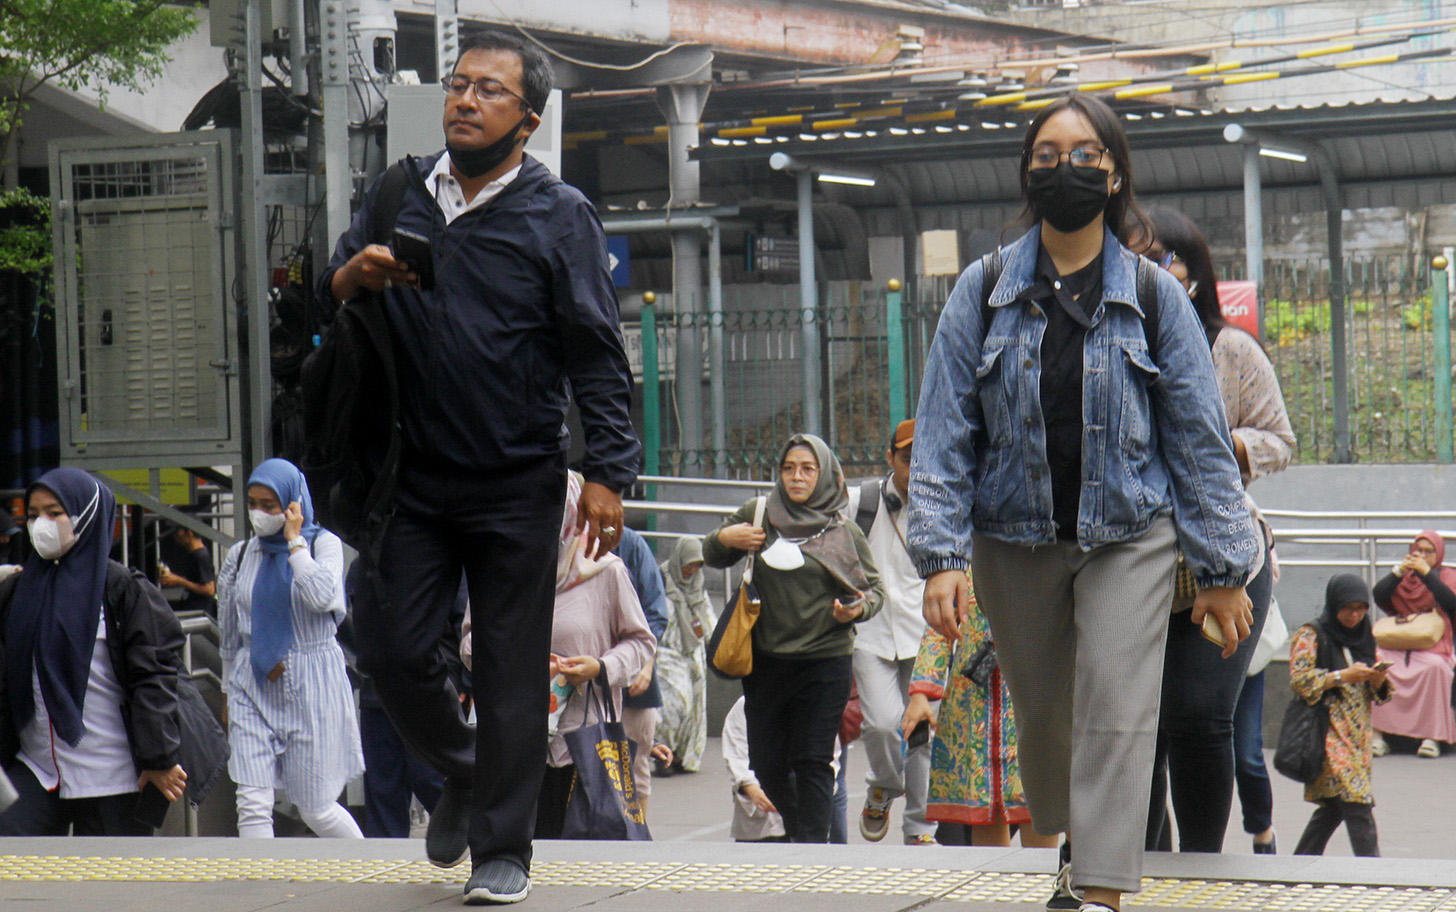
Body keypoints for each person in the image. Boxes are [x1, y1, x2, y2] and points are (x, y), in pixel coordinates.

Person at [908, 93, 1259, 912]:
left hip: (1130, 537)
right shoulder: (982, 288)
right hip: (1013, 540)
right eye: (1047, 152)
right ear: (1027, 171)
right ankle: (1075, 839)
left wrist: (1220, 566)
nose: (1065, 166)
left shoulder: (1155, 295)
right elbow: (944, 430)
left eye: (1086, 152)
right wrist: (941, 557)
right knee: (1049, 720)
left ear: (1114, 171)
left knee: (1115, 701)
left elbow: (1199, 438)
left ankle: (1097, 890)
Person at [316, 29, 639, 904]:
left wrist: (608, 469)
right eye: (459, 85)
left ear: (526, 122)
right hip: (408, 479)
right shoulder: (398, 191)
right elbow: (323, 289)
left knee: (508, 665)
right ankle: (465, 768)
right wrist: (355, 277)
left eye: (488, 91)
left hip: (516, 479)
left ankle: (504, 850)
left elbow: (598, 354)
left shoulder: (557, 213)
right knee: (384, 645)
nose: (465, 99)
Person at [1139, 206, 1294, 855]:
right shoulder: (1101, 344)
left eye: (1162, 257)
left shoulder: (1229, 349)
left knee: (1199, 716)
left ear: (1193, 274)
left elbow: (1280, 439)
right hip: (1131, 560)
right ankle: (1133, 867)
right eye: (1134, 257)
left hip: (1227, 561)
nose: (1150, 270)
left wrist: (1220, 445)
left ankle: (1202, 872)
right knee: (1134, 727)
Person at [702, 432, 885, 844]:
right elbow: (710, 553)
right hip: (766, 663)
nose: (796, 478)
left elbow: (875, 591)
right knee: (766, 764)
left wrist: (856, 609)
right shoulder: (759, 513)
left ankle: (812, 849)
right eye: (788, 468)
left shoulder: (843, 530)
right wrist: (724, 539)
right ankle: (803, 833)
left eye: (807, 469)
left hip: (826, 662)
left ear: (823, 474)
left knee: (813, 759)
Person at [461, 472, 654, 839]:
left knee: (580, 858)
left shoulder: (605, 570)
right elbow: (470, 642)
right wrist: (517, 662)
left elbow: (641, 643)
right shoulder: (500, 569)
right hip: (513, 740)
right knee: (514, 851)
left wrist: (600, 667)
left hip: (582, 747)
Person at [0, 468, 188, 835]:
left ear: (85, 515)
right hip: (38, 770)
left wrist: (159, 757)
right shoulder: (19, 591)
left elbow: (153, 675)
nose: (42, 524)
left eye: (55, 513)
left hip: (112, 774)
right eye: (34, 514)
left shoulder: (123, 591)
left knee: (113, 885)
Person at [218, 458, 363, 839]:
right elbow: (230, 630)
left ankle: (366, 863)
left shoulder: (323, 544)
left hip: (311, 679)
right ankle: (261, 885)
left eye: (270, 505)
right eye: (252, 503)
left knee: (315, 808)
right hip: (252, 680)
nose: (259, 514)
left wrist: (296, 543)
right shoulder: (241, 555)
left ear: (294, 502)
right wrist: (226, 688)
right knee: (251, 798)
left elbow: (322, 597)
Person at [848, 419, 937, 846]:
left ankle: (920, 826)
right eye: (906, 458)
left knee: (921, 731)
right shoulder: (860, 502)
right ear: (890, 458)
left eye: (921, 459)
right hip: (871, 632)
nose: (913, 468)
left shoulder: (945, 504)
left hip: (926, 634)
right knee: (883, 725)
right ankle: (883, 785)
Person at [1290, 574, 1392, 857]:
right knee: (1358, 802)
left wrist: (1377, 679)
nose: (1354, 615)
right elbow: (1299, 679)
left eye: (1361, 608)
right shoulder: (1312, 634)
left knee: (1336, 805)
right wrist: (1341, 676)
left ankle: (1300, 864)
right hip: (1328, 731)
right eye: (1348, 608)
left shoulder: (1364, 635)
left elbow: (1382, 693)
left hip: (1358, 736)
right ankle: (1375, 874)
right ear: (1334, 604)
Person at [1370, 531, 1456, 758]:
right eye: (1418, 551)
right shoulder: (1404, 578)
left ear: (1438, 554)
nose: (1422, 556)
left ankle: (1431, 737)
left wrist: (1428, 575)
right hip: (1399, 643)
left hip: (1433, 645)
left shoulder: (1445, 576)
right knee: (1378, 665)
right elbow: (1379, 595)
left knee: (1436, 668)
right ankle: (1378, 734)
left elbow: (1451, 603)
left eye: (1429, 552)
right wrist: (1398, 571)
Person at [615, 527, 669, 816]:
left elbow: (656, 614)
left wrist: (646, 665)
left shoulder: (631, 545)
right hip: (577, 680)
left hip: (634, 678)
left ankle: (635, 843)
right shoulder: (563, 539)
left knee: (634, 771)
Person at [656, 536, 716, 773]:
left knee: (694, 709)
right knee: (673, 705)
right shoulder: (661, 582)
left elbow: (709, 620)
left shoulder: (697, 588)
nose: (692, 570)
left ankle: (682, 756)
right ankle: (662, 753)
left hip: (693, 655)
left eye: (697, 565)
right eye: (689, 564)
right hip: (666, 655)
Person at [722, 695, 786, 842]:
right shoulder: (746, 703)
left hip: (804, 806)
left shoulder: (814, 700)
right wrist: (749, 786)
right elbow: (735, 750)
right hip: (761, 806)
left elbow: (827, 756)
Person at [159, 523, 217, 618]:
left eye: (178, 531)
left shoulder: (201, 556)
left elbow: (209, 590)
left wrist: (179, 580)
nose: (175, 535)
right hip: (195, 609)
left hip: (201, 612)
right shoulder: (195, 554)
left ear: (189, 533)